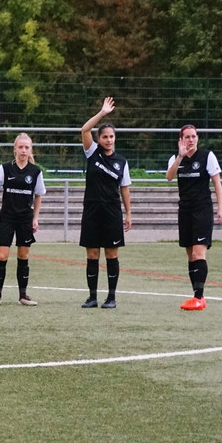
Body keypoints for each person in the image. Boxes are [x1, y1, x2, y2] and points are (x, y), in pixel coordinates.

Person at [165, 124, 222, 311]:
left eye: (194, 136)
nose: (191, 140)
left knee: (198, 254)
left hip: (202, 210)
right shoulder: (176, 158)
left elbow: (217, 183)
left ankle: (198, 298)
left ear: (197, 138)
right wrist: (180, 157)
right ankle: (198, 295)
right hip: (185, 210)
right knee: (190, 255)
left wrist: (221, 208)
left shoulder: (207, 156)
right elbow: (169, 177)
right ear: (181, 140)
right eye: (187, 137)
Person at [79, 97, 132, 309]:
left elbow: (124, 188)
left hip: (112, 212)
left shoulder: (121, 162)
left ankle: (111, 297)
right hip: (92, 210)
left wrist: (128, 214)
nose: (109, 140)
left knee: (111, 254)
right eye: (105, 137)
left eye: (111, 137)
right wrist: (102, 113)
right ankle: (92, 297)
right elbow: (84, 129)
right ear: (99, 139)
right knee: (92, 254)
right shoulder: (92, 152)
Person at [0, 133, 46, 306]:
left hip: (25, 219)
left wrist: (35, 218)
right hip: (7, 217)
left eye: (27, 147)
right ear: (15, 149)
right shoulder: (5, 168)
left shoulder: (35, 171)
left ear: (30, 150)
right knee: (2, 256)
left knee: (23, 255)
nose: (23, 150)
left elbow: (38, 195)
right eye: (20, 147)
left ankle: (23, 295)